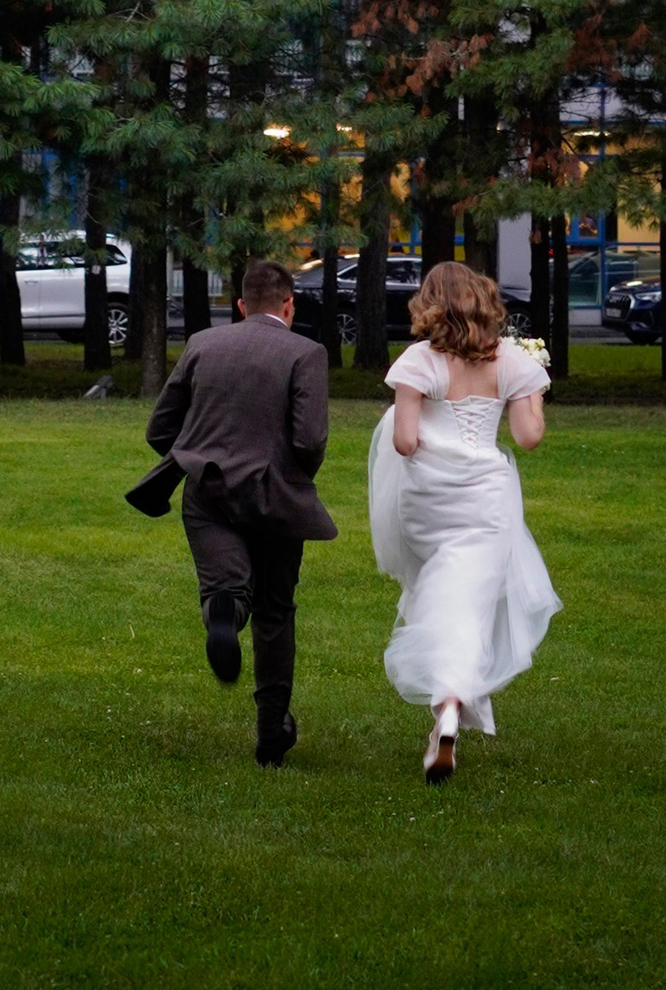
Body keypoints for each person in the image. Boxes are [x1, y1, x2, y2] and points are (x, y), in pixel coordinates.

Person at [140, 256, 336, 766]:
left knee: (226, 587)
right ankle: (271, 732)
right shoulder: (306, 353)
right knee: (275, 610)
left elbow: (160, 429)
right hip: (276, 496)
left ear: (241, 305)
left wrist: (195, 452)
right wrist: (292, 475)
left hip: (207, 491)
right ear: (289, 304)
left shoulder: (203, 343)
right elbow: (310, 440)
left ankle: (224, 610)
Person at [369, 260, 560, 784]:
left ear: (429, 305)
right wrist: (533, 393)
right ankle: (451, 706)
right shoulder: (511, 362)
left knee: (442, 593)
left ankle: (445, 717)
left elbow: (404, 442)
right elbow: (527, 437)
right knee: (467, 602)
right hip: (486, 503)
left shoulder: (417, 361)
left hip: (428, 504)